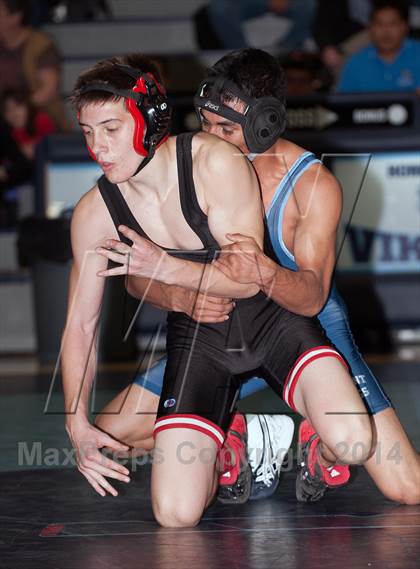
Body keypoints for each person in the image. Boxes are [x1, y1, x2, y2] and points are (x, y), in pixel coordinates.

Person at [95, 48, 420, 507]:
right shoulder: (186, 162)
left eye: (225, 129)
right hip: (219, 332)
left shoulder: (310, 185)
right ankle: (234, 436)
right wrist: (180, 299)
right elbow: (135, 274)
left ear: (264, 124)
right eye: (205, 124)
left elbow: (311, 298)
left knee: (407, 487)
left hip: (305, 331)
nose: (211, 138)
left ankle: (319, 445)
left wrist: (264, 271)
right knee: (110, 435)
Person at [0, 0, 68, 130]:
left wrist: (24, 108)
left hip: (36, 115)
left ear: (15, 17)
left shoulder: (39, 44)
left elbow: (49, 89)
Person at [337, 0, 420, 92]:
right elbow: (344, 99)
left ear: (405, 27)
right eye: (380, 24)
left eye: (392, 24)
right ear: (370, 28)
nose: (386, 32)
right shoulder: (355, 63)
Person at [1, 88, 55, 160]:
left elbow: (54, 146)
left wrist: (37, 148)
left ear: (27, 106)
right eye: (8, 110)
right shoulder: (10, 132)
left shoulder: (41, 120)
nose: (14, 113)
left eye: (18, 106)